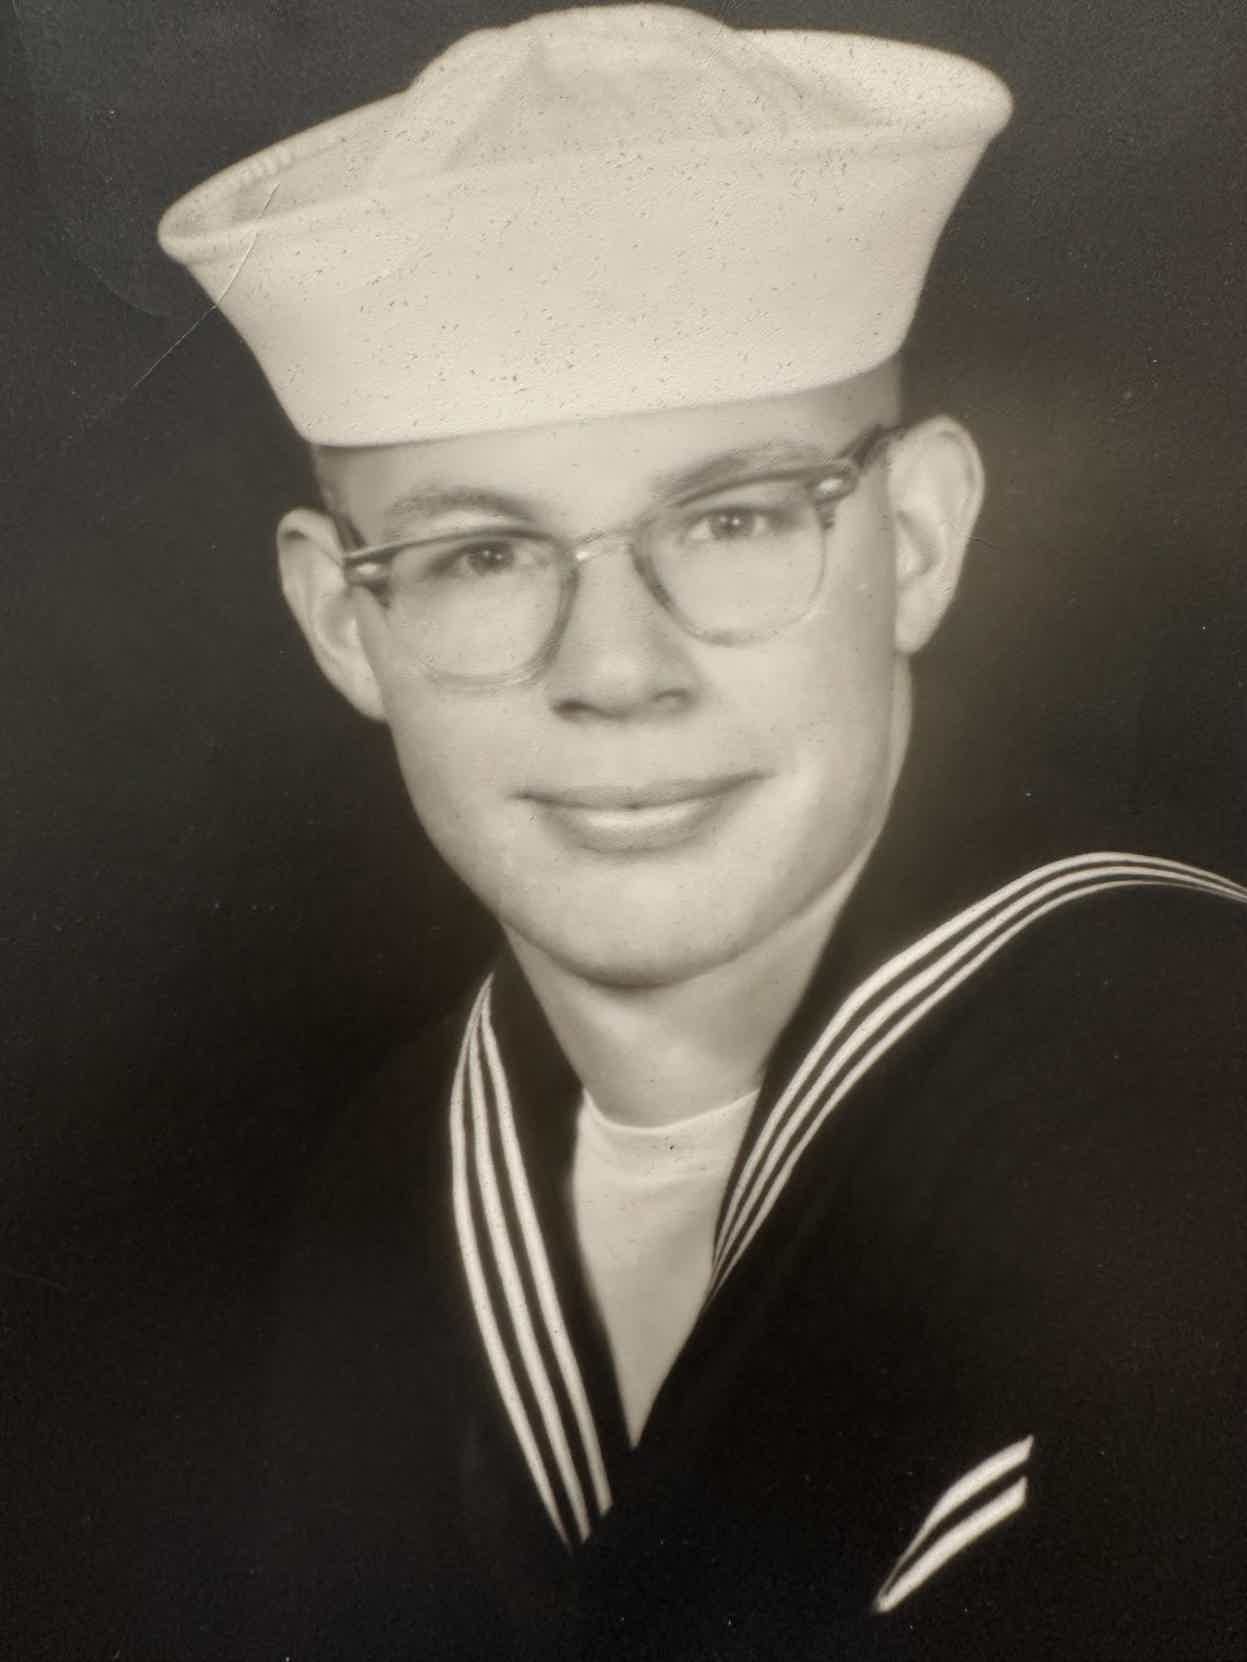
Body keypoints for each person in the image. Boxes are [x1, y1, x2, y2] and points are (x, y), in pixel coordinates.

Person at [158, 7, 1246, 1658]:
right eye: (480, 556)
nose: (615, 672)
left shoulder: (1194, 1094)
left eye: (733, 520)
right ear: (339, 621)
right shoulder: (386, 1196)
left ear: (920, 539)